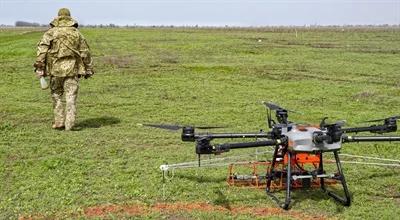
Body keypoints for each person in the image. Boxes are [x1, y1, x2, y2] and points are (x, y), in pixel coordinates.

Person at [34, 8, 93, 131]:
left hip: (55, 71)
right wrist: (88, 68)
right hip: (72, 70)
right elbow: (85, 52)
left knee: (56, 96)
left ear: (58, 17)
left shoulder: (50, 33)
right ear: (69, 17)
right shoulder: (76, 33)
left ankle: (59, 122)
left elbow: (42, 50)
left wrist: (40, 66)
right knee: (71, 97)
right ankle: (70, 124)